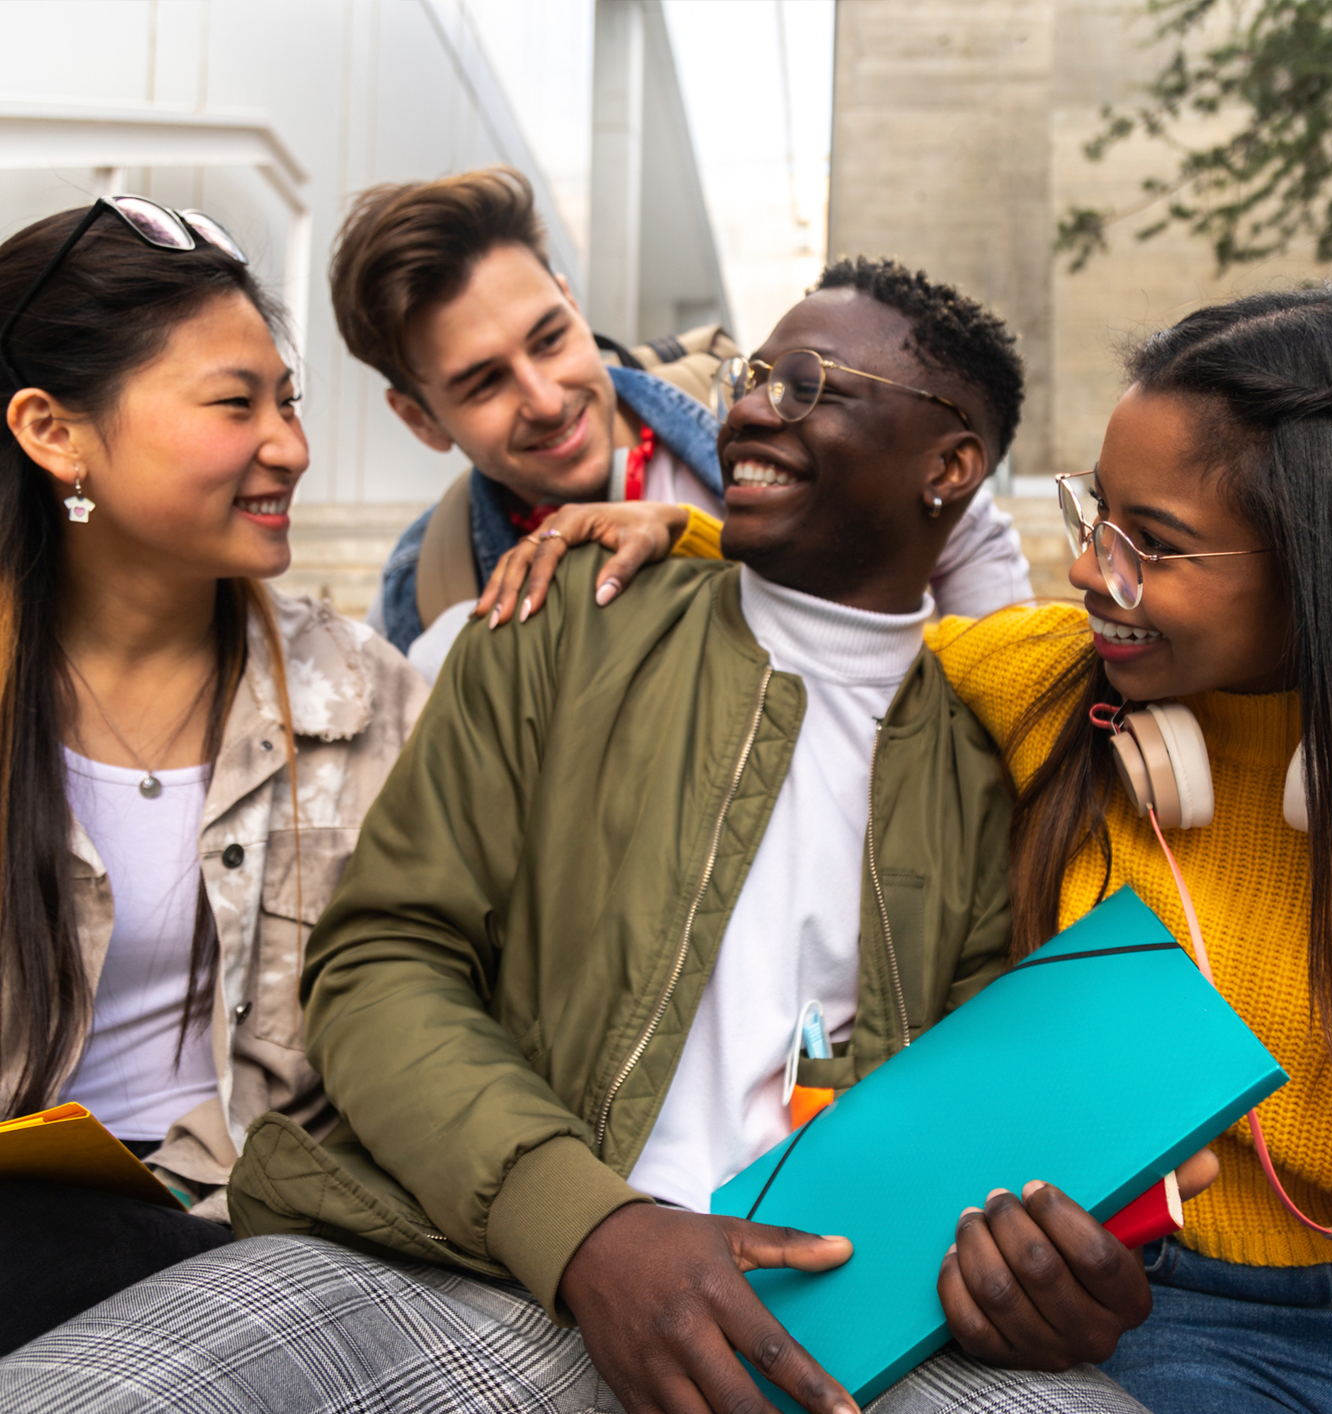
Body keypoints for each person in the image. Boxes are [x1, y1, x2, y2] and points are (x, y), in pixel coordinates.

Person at [0, 260, 1165, 1413]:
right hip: (474, 1266)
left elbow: (970, 1131)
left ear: (949, 464)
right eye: (753, 376)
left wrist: (1032, 1284)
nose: (750, 408)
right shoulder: (556, 615)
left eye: (812, 386)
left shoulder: (983, 762)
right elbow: (377, 962)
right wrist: (591, 1225)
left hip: (824, 1322)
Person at [514, 282, 1332, 1414]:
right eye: (1095, 518)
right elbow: (864, 611)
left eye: (1154, 547)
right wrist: (682, 532)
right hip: (1177, 1312)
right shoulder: (1047, 681)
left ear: (1329, 562)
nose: (1091, 571)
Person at [0, 197, 428, 1355]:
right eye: (235, 404)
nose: (286, 443)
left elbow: (437, 1015)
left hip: (258, 1240)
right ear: (54, 432)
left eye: (285, 400)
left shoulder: (363, 697)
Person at [327, 167, 1033, 668]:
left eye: (549, 339)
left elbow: (962, 526)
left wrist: (989, 714)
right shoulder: (427, 585)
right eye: (484, 384)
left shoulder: (756, 419)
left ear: (572, 302)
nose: (544, 398)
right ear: (420, 420)